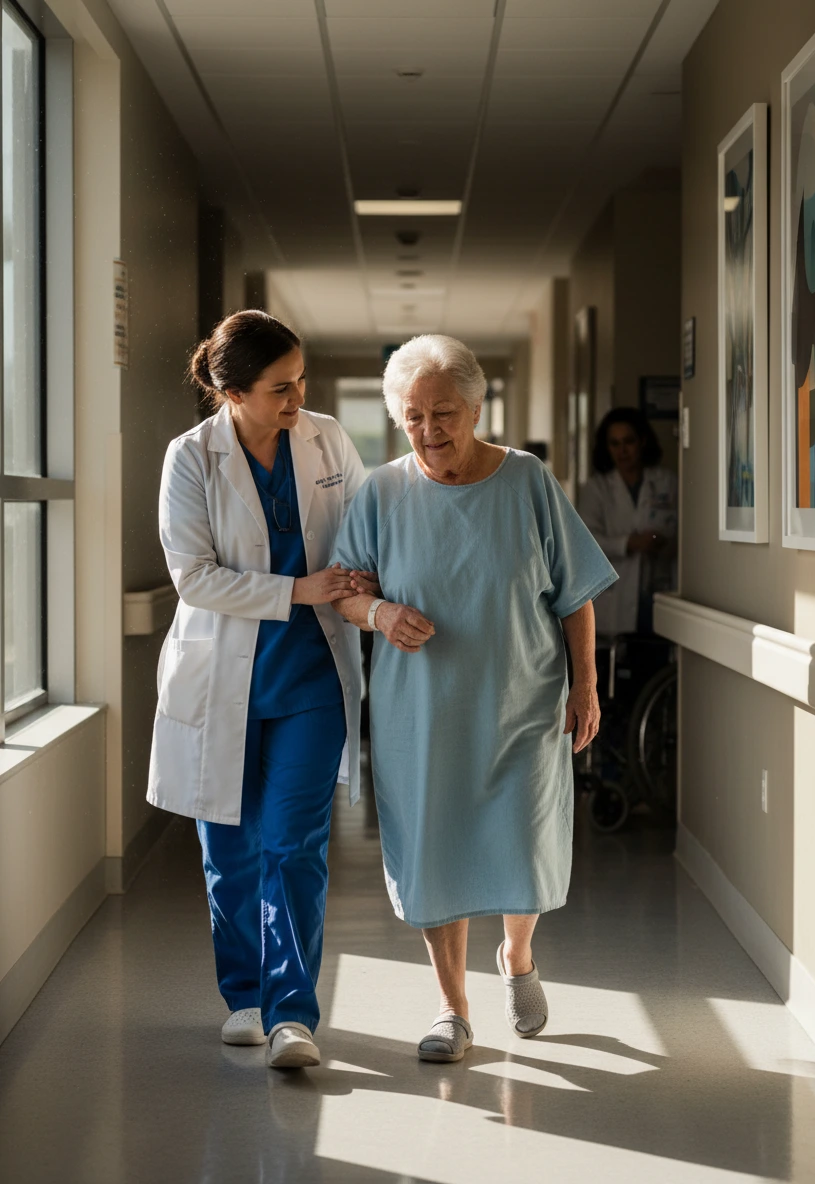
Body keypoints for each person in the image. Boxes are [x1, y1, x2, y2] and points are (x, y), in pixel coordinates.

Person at [330, 334, 617, 1062]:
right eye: (413, 416)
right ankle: (451, 1010)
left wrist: (586, 684)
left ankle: (517, 955)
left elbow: (576, 593)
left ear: (477, 408)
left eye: (444, 413)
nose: (429, 431)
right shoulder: (382, 493)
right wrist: (379, 614)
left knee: (525, 842)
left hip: (523, 703)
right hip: (421, 712)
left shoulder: (526, 480)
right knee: (435, 850)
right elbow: (345, 592)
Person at [147, 310, 377, 1071]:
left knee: (294, 845)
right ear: (233, 392)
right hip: (223, 679)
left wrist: (364, 580)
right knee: (231, 849)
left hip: (311, 677)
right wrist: (298, 589)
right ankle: (244, 996)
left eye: (301, 380)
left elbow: (364, 527)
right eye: (281, 388)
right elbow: (193, 577)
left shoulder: (326, 440)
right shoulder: (191, 457)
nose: (297, 399)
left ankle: (292, 1014)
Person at [578, 408, 677, 637]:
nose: (622, 451)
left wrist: (660, 542)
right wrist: (628, 543)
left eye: (628, 442)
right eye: (614, 443)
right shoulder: (597, 488)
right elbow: (585, 542)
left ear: (642, 441)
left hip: (658, 586)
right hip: (615, 596)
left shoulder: (667, 482)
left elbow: (682, 533)